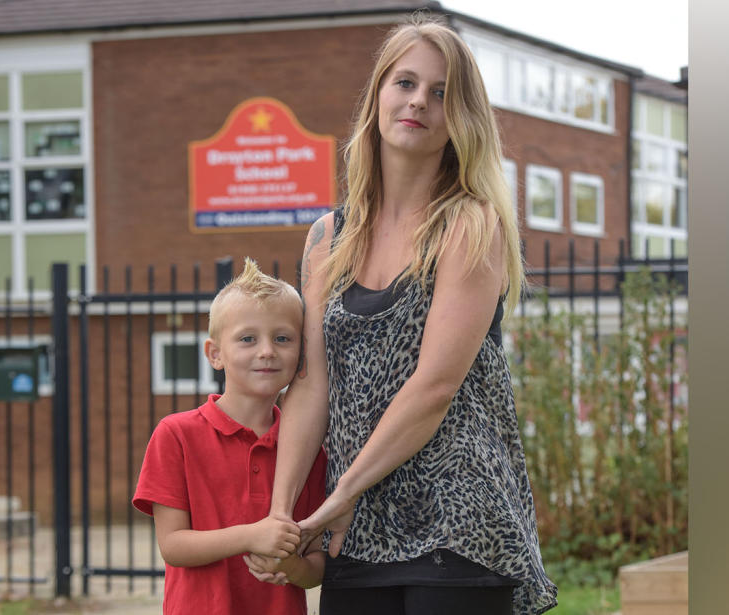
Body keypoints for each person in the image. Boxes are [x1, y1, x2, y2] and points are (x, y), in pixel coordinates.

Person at [247, 14, 557, 615]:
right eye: (405, 83)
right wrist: (282, 510)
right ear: (378, 96)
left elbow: (434, 387)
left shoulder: (470, 224)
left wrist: (342, 492)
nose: (419, 101)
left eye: (441, 93)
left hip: (456, 519)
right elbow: (311, 384)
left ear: (461, 117)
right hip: (356, 526)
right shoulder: (327, 237)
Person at [133, 258, 328, 615]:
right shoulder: (176, 435)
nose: (267, 350)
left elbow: (316, 567)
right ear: (215, 354)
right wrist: (252, 535)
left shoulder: (308, 449)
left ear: (302, 353)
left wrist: (291, 568)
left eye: (282, 338)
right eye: (248, 339)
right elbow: (173, 546)